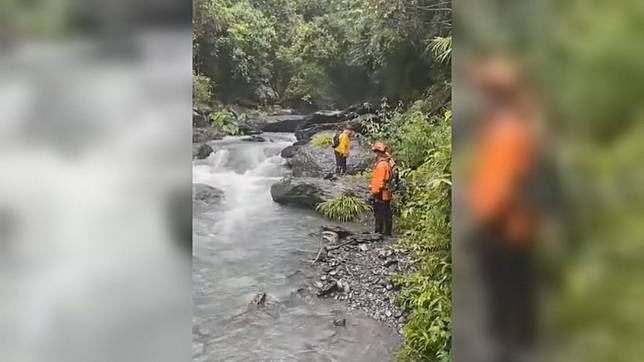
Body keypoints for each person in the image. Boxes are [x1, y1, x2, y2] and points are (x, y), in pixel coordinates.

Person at [466, 55, 547, 361]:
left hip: (502, 226)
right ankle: (525, 338)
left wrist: (482, 226)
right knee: (521, 283)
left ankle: (506, 348)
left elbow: (499, 189)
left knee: (502, 287)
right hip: (520, 223)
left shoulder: (505, 132)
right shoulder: (520, 126)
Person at [369, 141, 393, 236]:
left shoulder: (382, 165)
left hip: (380, 193)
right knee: (386, 211)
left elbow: (379, 181)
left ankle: (379, 232)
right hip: (385, 192)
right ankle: (386, 232)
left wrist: (374, 192)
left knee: (380, 213)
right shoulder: (386, 163)